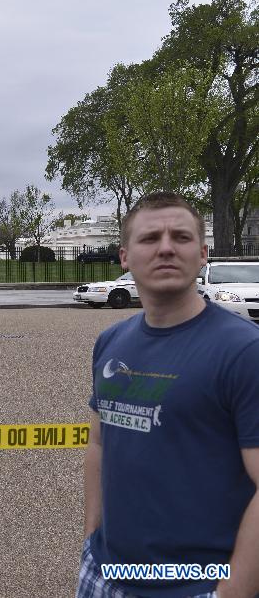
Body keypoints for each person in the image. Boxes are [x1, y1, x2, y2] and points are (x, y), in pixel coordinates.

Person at [78, 192, 259, 598]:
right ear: (125, 257)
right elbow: (98, 441)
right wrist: (92, 536)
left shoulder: (244, 352)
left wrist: (233, 590)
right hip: (104, 577)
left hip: (195, 585)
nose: (165, 248)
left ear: (203, 254)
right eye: (149, 239)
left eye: (180, 237)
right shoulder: (112, 342)